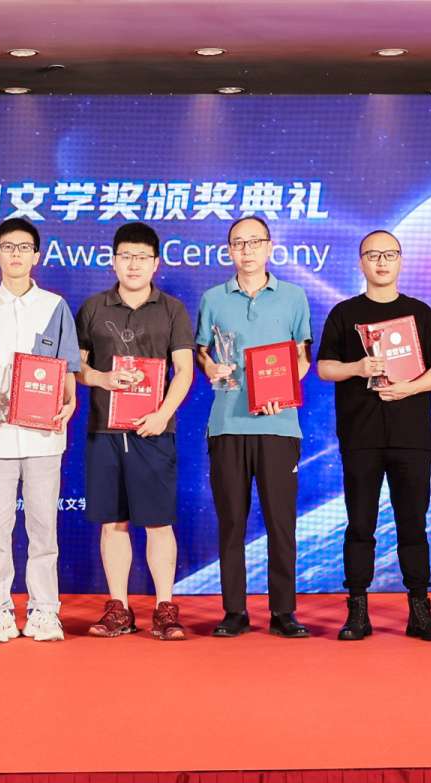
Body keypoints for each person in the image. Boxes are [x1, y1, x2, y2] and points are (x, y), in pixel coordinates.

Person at [316, 230, 431, 642]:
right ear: (361, 262)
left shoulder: (419, 313)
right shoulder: (345, 313)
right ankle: (357, 610)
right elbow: (324, 368)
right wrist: (357, 368)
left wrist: (411, 388)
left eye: (390, 254)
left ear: (400, 260)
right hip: (360, 435)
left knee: (413, 524)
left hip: (411, 436)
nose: (381, 262)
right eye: (373, 255)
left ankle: (420, 610)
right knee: (360, 524)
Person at [0, 219, 80, 644]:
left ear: (36, 256)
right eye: (7, 247)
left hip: (44, 436)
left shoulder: (54, 306)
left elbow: (67, 368)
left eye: (24, 247)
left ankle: (45, 610)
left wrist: (70, 403)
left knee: (44, 528)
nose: (15, 254)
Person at [75, 222, 195, 640]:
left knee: (158, 523)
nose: (133, 264)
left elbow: (184, 369)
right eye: (126, 256)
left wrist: (163, 414)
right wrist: (101, 379)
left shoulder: (172, 309)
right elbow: (77, 368)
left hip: (154, 431)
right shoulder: (93, 307)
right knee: (113, 523)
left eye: (142, 257)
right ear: (113, 261)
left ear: (156, 263)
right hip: (104, 431)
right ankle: (119, 608)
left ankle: (165, 607)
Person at [195, 216, 313, 638]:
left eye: (254, 242)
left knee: (281, 522)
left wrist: (285, 391)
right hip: (227, 423)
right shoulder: (213, 298)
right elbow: (202, 353)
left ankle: (283, 611)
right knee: (232, 522)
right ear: (229, 250)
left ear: (269, 247)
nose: (246, 250)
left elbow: (303, 355)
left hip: (279, 425)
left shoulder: (294, 296)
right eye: (238, 243)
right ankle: (234, 611)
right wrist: (211, 368)